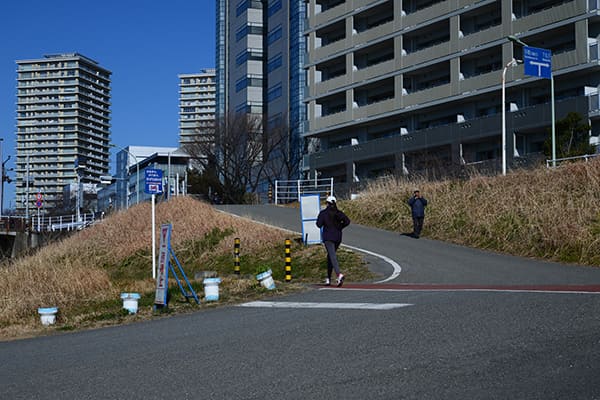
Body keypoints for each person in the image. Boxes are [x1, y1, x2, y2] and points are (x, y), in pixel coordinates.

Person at [316, 195, 350, 287]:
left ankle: (339, 275)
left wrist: (323, 222)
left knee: (332, 256)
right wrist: (340, 227)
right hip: (338, 237)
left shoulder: (323, 213)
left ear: (327, 203)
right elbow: (347, 221)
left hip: (328, 237)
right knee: (330, 256)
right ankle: (328, 278)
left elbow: (318, 224)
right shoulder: (338, 213)